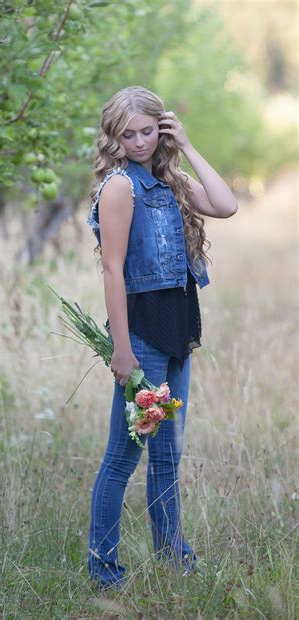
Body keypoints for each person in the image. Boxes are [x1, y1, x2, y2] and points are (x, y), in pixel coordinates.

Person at [85, 86, 238, 591]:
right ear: (114, 137)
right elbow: (111, 269)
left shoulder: (167, 179)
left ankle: (172, 557)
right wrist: (123, 350)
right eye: (126, 134)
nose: (138, 142)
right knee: (124, 456)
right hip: (142, 330)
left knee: (168, 454)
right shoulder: (120, 188)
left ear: (162, 126)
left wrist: (188, 146)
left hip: (178, 325)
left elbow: (226, 204)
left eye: (147, 130)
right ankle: (104, 571)